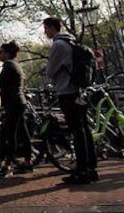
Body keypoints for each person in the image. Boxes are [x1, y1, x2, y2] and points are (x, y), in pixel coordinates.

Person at [44, 16, 97, 184]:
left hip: (67, 91)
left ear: (53, 28)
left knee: (76, 131)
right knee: (84, 130)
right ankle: (90, 168)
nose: (45, 32)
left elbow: (50, 72)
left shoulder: (58, 45)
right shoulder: (72, 42)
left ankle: (81, 171)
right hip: (79, 91)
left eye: (46, 28)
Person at [0, 41, 33, 177]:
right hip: (19, 101)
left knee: (10, 134)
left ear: (6, 53)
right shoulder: (16, 65)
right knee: (22, 133)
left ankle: (7, 166)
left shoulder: (8, 65)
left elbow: (1, 82)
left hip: (13, 103)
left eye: (0, 52)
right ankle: (28, 163)